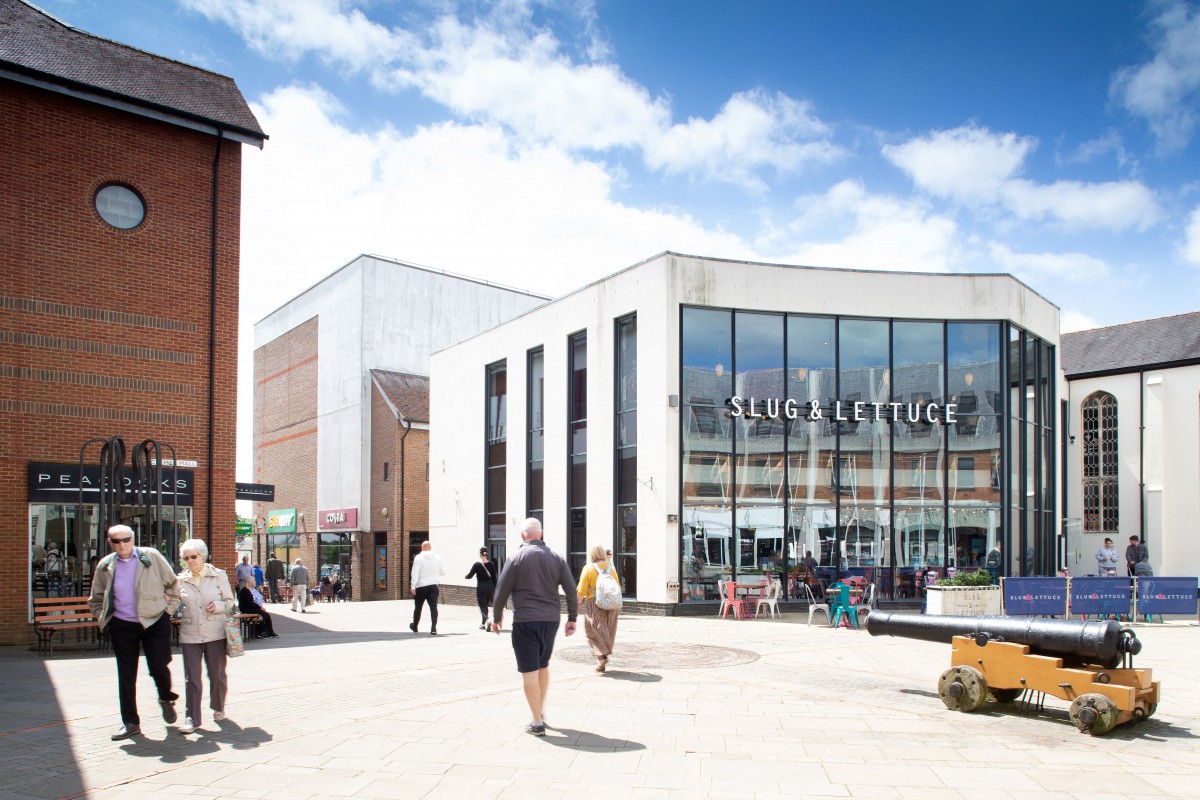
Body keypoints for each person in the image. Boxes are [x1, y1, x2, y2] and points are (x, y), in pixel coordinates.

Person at [88, 524, 181, 741]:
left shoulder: (151, 556)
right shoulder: (105, 565)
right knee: (126, 674)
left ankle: (165, 697)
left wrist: (168, 610)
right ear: (110, 542)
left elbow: (173, 585)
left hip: (154, 620)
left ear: (133, 539)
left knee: (159, 666)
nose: (122, 545)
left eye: (126, 539)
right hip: (122, 625)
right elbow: (96, 598)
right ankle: (130, 722)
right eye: (116, 541)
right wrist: (104, 618)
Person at [491, 518, 578, 737]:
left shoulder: (516, 558)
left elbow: (501, 591)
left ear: (522, 535)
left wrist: (497, 617)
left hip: (525, 620)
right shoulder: (556, 558)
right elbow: (571, 589)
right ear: (541, 533)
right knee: (542, 665)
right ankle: (539, 710)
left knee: (529, 670)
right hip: (550, 621)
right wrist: (572, 618)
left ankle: (537, 721)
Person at [176, 539, 236, 734]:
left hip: (215, 632)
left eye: (193, 557)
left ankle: (218, 706)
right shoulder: (180, 579)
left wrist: (217, 606)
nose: (190, 561)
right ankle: (191, 718)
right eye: (186, 558)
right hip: (190, 633)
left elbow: (230, 603)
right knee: (192, 677)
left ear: (203, 556)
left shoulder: (218, 575)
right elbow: (174, 604)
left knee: (216, 675)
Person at [577, 544, 620, 673]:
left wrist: (578, 604)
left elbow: (582, 589)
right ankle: (603, 656)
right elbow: (618, 587)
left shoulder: (588, 568)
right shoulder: (611, 569)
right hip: (612, 604)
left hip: (594, 603)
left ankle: (602, 657)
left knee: (592, 630)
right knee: (608, 629)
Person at [410, 541, 444, 634]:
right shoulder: (438, 558)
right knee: (433, 607)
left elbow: (415, 573)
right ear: (430, 547)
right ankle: (433, 628)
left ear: (422, 548)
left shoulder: (418, 558)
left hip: (421, 586)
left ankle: (415, 626)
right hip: (433, 585)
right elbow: (442, 572)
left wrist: (413, 586)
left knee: (418, 607)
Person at [465, 547, 499, 629]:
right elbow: (495, 579)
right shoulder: (492, 565)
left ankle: (487, 621)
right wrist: (495, 589)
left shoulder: (477, 565)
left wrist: (466, 576)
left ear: (480, 554)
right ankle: (483, 624)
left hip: (481, 587)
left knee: (482, 607)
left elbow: (470, 575)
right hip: (490, 588)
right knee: (485, 606)